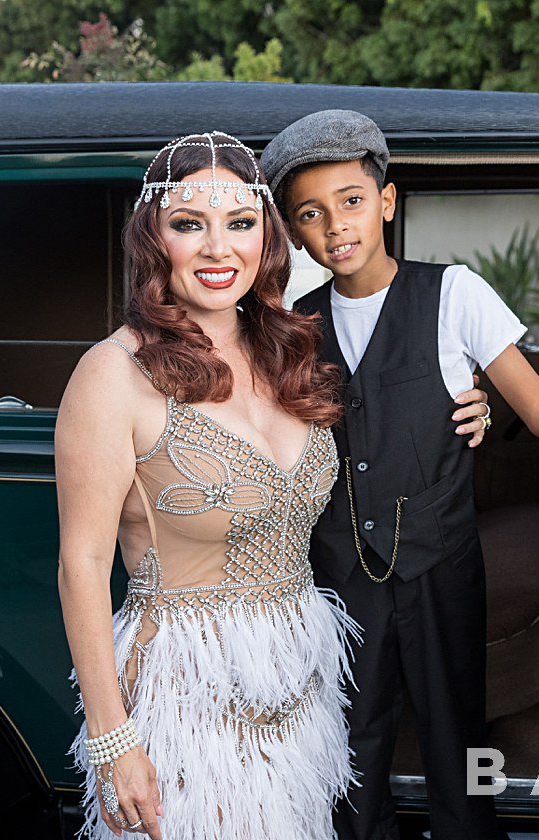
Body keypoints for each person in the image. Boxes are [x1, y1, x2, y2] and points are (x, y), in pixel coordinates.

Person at [261, 109, 539, 840]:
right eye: (310, 215)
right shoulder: (296, 319)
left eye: (352, 201)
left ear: (386, 201)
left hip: (441, 561)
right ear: (294, 233)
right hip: (339, 572)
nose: (336, 226)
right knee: (353, 741)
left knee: (456, 736)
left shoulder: (454, 294)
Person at [56, 131, 362, 840]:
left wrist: (480, 402)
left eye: (241, 224)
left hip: (297, 694)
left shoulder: (287, 350)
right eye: (190, 225)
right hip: (184, 703)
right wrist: (113, 741)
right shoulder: (111, 375)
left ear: (268, 238)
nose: (219, 249)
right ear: (154, 240)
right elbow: (82, 566)